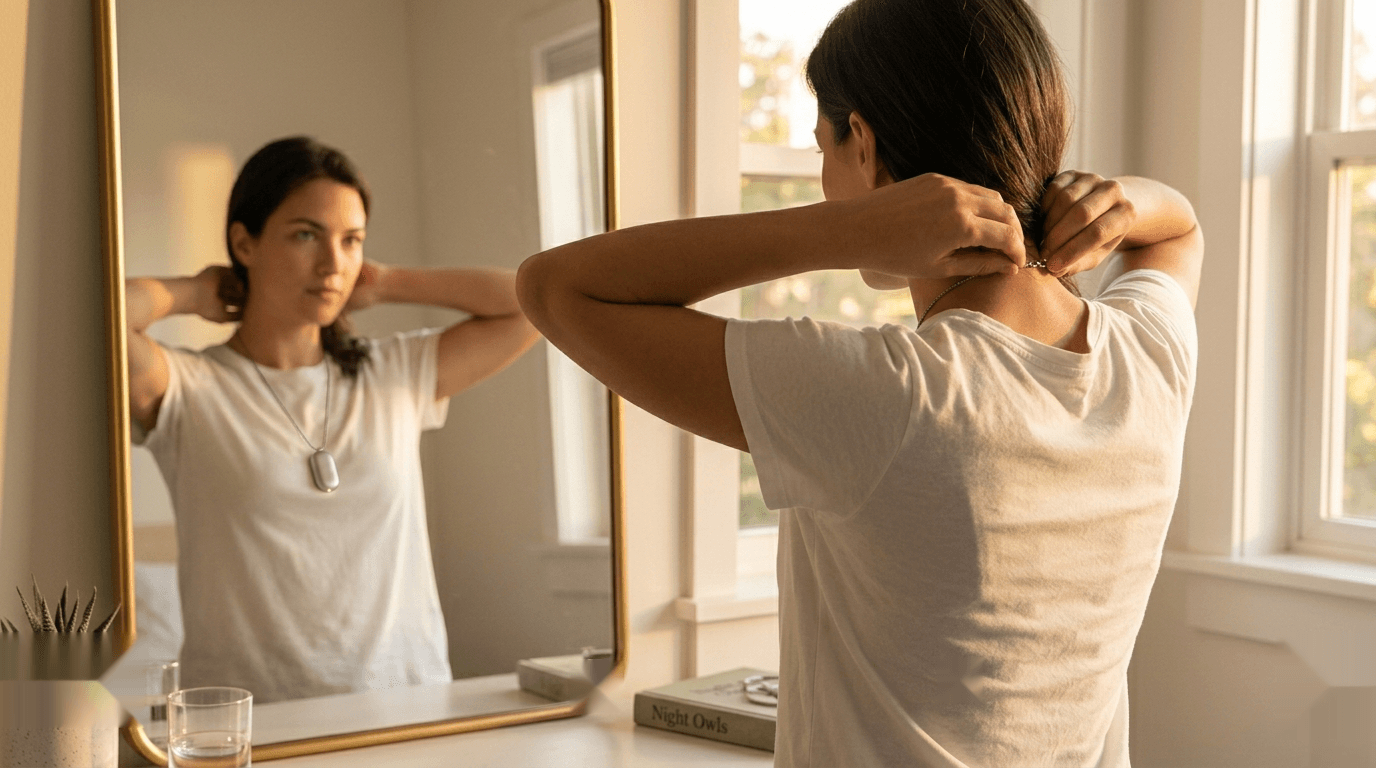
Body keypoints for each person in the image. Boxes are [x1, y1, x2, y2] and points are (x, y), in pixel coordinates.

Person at [516, 0, 1201, 765]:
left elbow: (553, 288)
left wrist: (845, 230)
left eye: (824, 148)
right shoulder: (1148, 355)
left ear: (864, 143)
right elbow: (1176, 229)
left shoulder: (894, 395)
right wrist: (1116, 201)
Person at [126, 136, 540, 703]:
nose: (333, 264)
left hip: (408, 708)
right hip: (254, 725)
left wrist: (389, 282)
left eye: (351, 241)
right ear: (244, 243)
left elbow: (533, 303)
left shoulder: (390, 373)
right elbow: (99, 318)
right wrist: (193, 291)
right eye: (306, 235)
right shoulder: (189, 388)